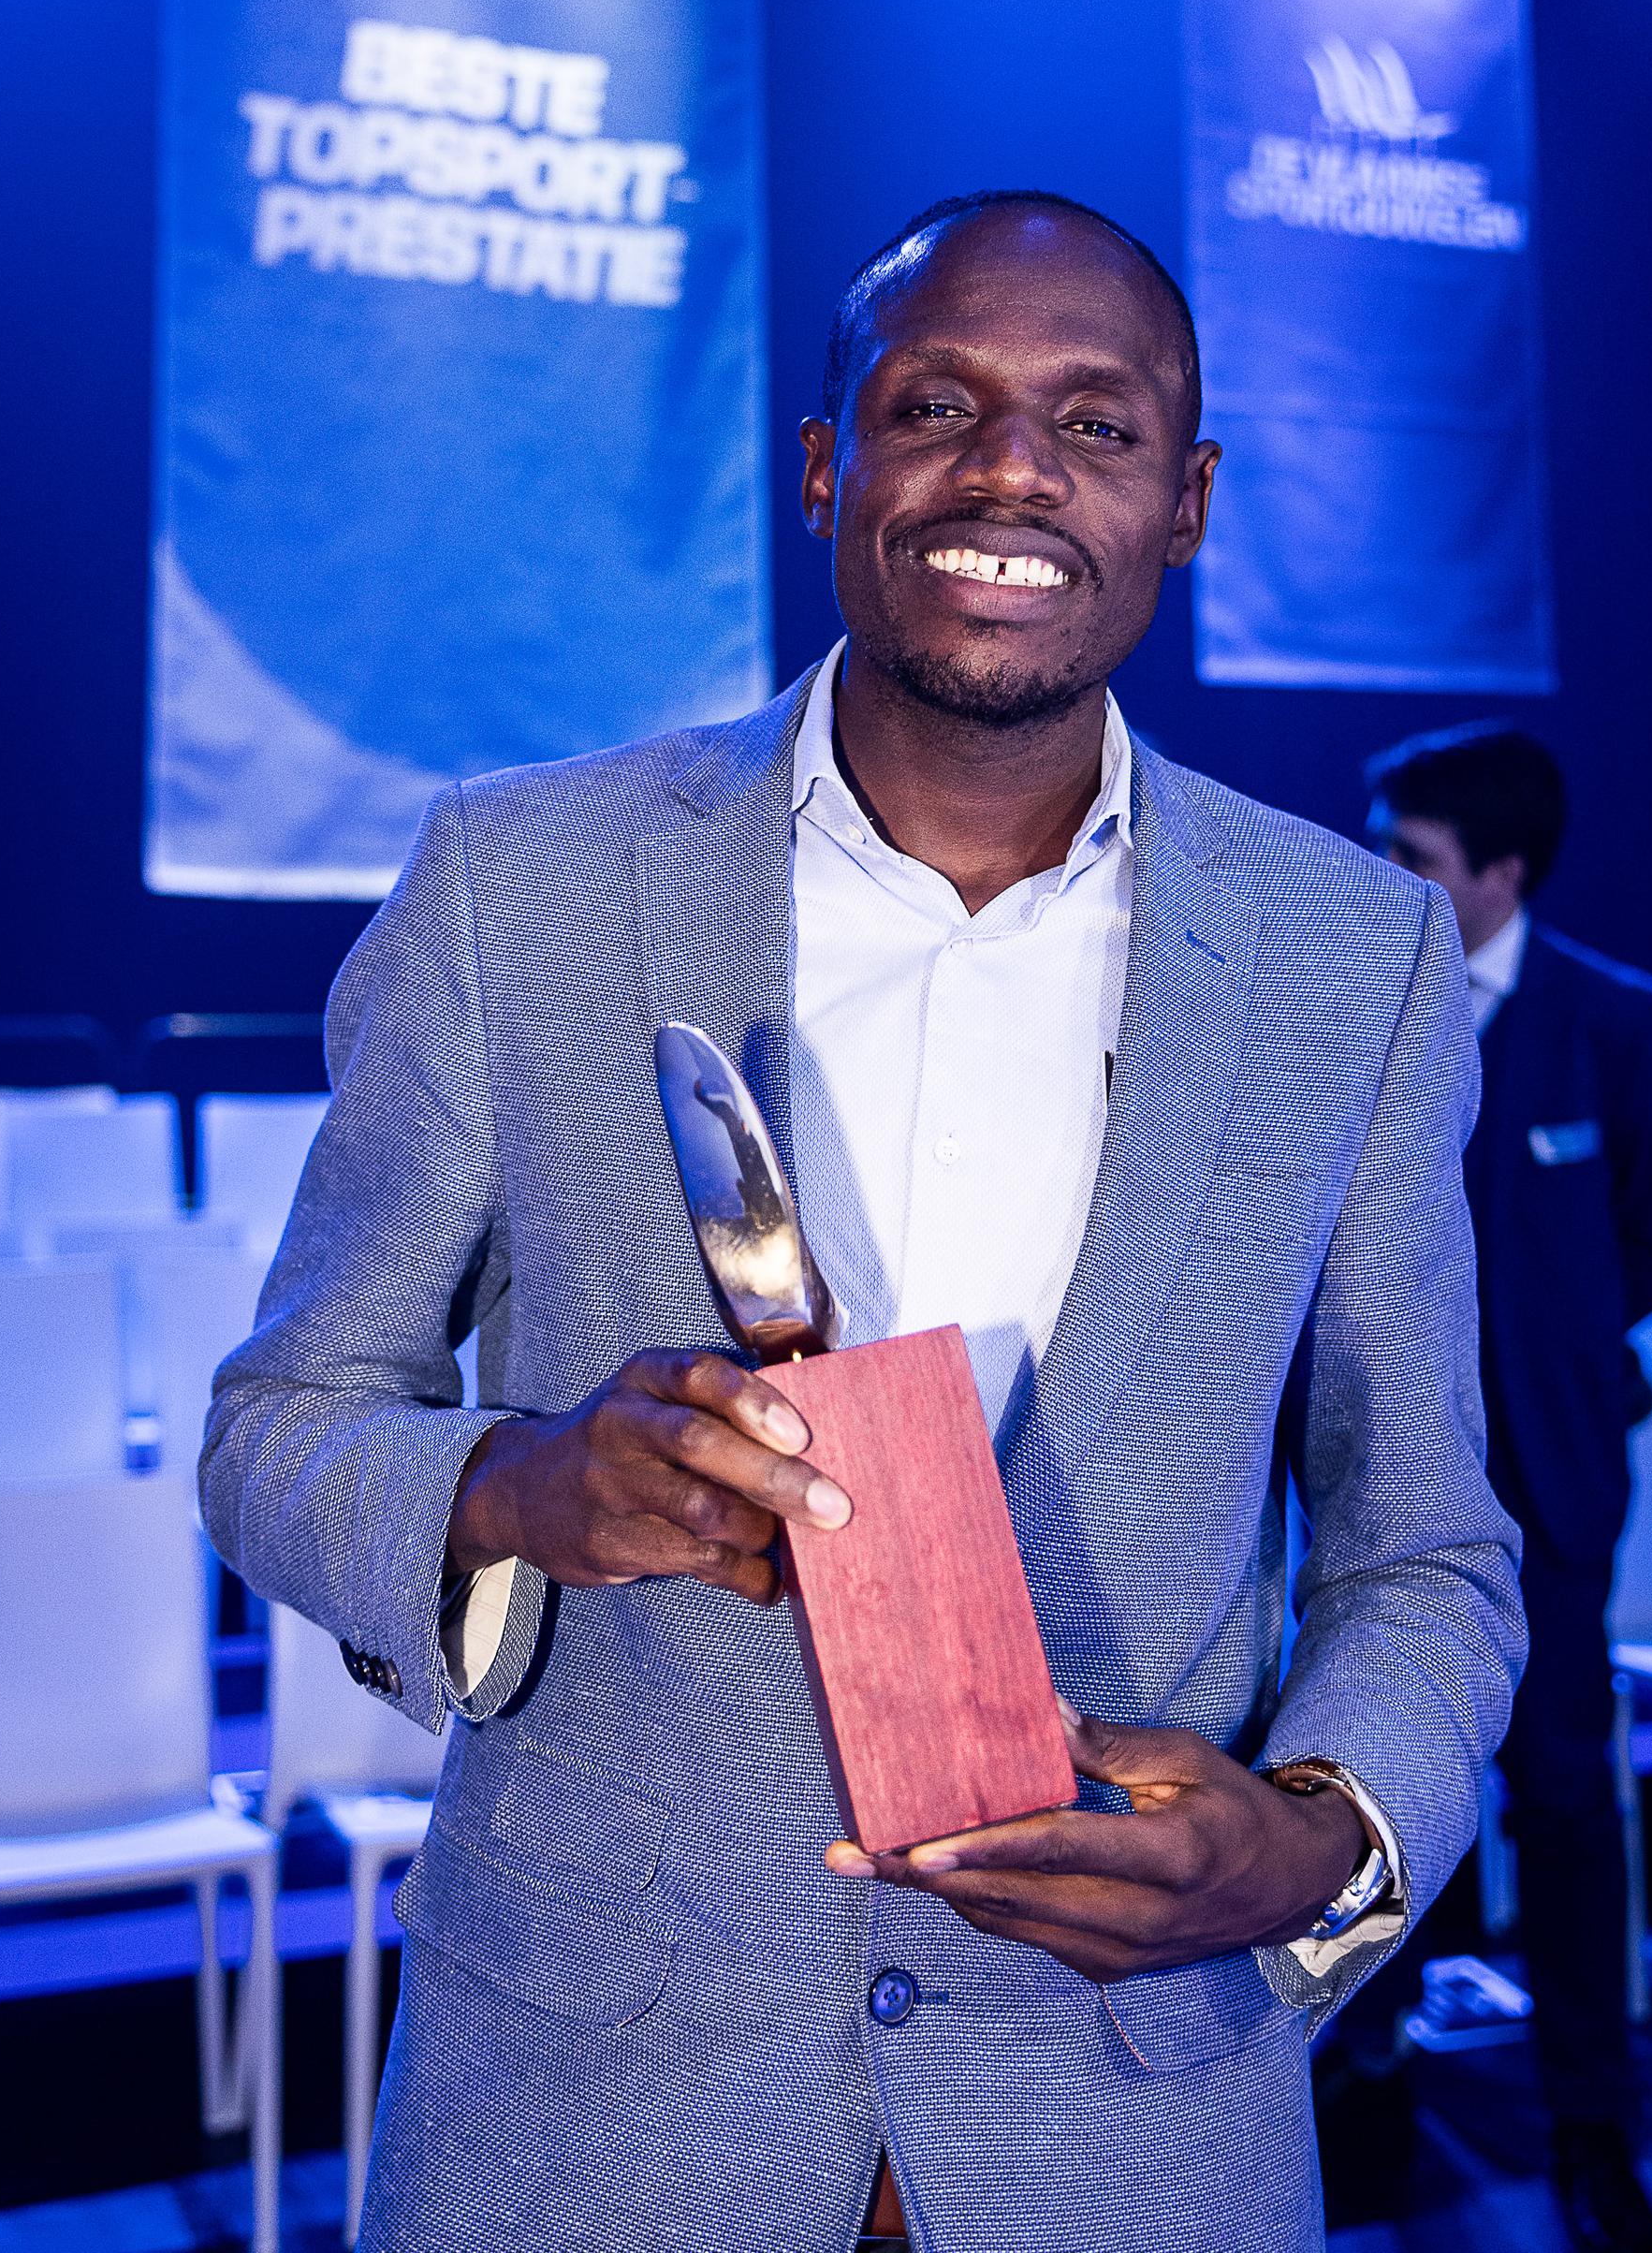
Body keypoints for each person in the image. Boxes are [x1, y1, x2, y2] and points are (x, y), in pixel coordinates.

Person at [202, 193, 1523, 2253]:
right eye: (938, 406)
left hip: (1135, 2139)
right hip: (586, 2134)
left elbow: (1431, 1550)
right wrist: (517, 1487)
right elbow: (281, 1425)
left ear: (1187, 502)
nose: (1011, 472)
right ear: (828, 464)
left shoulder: (1355, 961)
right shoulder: (518, 881)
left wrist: (1320, 1839)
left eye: (1097, 428)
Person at [1366, 725, 1652, 2253]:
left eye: (1414, 856)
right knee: (1370, 1792)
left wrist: (1565, 1345)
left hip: (1550, 1497)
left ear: (1500, 874)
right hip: (1363, 1492)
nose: (1383, 874)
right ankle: (1366, 2086)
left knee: (1567, 1810)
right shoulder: (1352, 1001)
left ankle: (1590, 2125)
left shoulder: (1621, 1027)